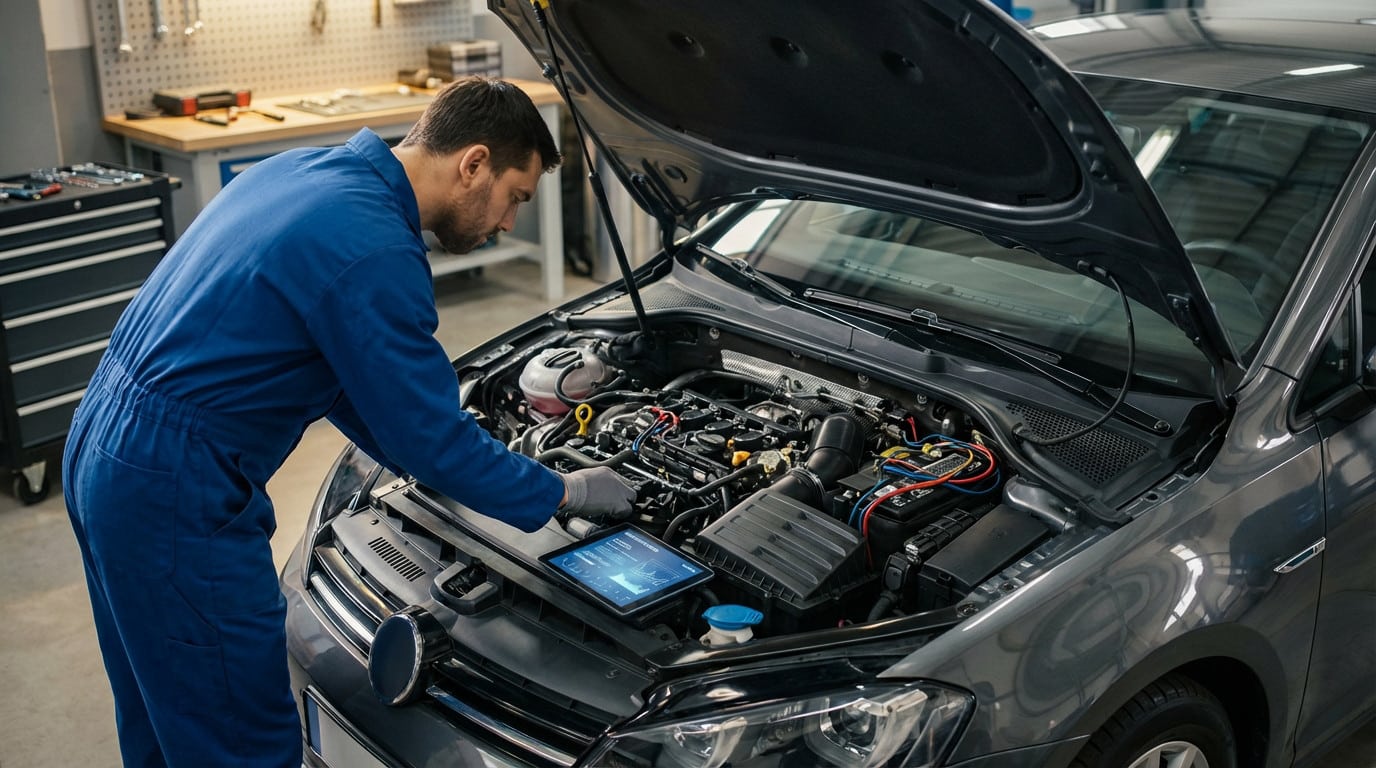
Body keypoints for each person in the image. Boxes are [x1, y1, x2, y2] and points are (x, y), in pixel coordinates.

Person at [62, 77, 636, 767]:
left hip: (103, 441)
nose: (510, 223)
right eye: (516, 196)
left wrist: (425, 456)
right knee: (241, 738)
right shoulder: (378, 251)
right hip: (173, 487)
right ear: (473, 163)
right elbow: (430, 438)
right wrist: (562, 492)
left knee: (164, 713)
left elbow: (343, 379)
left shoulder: (304, 170)